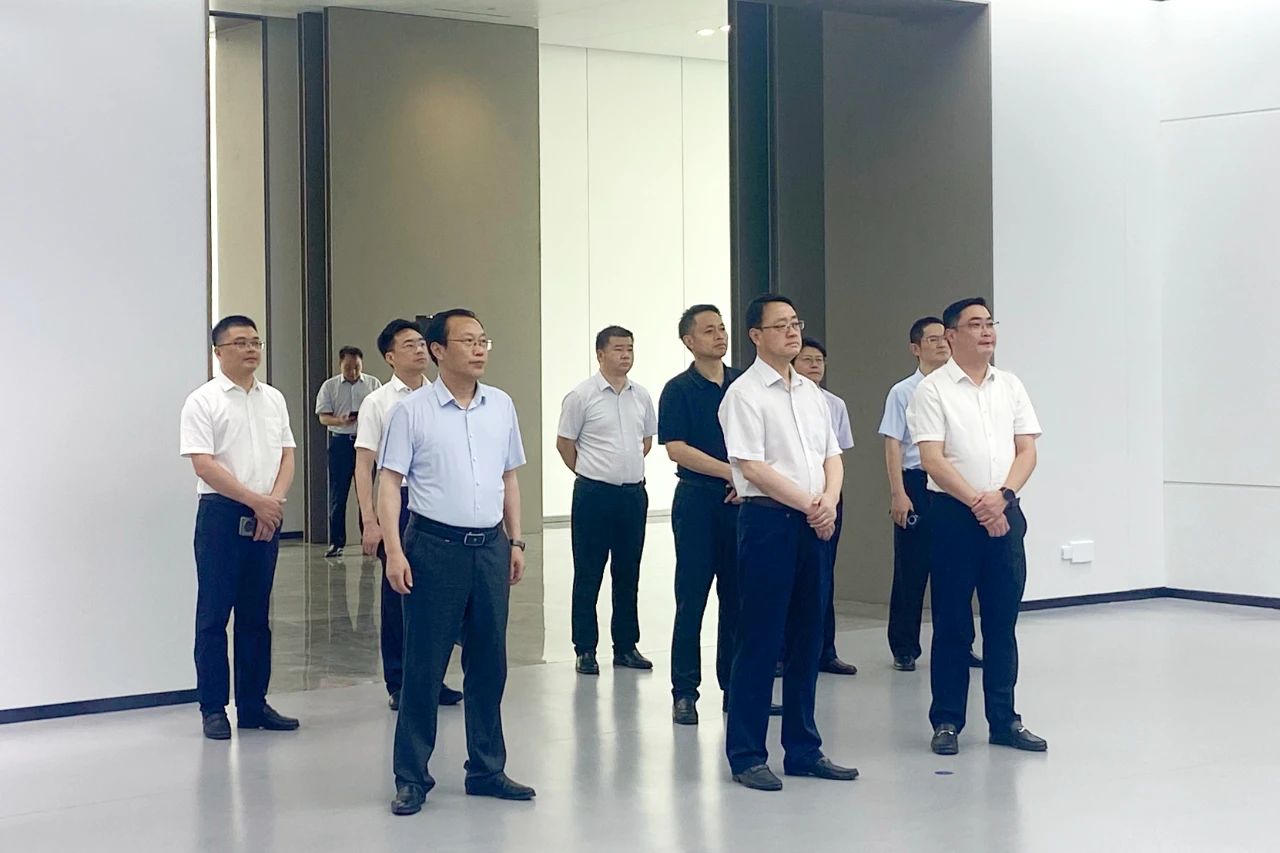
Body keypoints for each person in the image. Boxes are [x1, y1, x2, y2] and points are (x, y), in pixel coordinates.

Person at [380, 309, 534, 815]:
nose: (479, 348)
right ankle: (411, 777)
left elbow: (509, 477)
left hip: (489, 548)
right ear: (438, 350)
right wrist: (394, 550)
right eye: (467, 341)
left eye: (483, 340)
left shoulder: (501, 405)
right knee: (423, 667)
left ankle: (487, 769)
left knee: (489, 663)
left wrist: (515, 541)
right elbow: (389, 483)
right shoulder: (412, 412)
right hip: (433, 548)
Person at [719, 295, 857, 792]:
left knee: (807, 637)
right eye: (780, 326)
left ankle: (803, 749)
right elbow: (751, 466)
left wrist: (828, 503)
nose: (793, 332)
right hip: (769, 523)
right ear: (756, 335)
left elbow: (832, 456)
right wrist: (810, 505)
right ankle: (747, 754)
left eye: (796, 323)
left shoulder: (812, 393)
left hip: (815, 521)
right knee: (761, 638)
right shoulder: (744, 394)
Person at [907, 297, 1047, 756]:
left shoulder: (1010, 385)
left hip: (1005, 510)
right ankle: (947, 720)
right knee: (952, 623)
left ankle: (1004, 720)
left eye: (990, 323)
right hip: (953, 515)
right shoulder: (933, 390)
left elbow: (1026, 450)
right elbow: (932, 459)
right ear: (951, 336)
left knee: (1002, 622)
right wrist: (978, 504)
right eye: (975, 325)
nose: (986, 331)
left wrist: (1002, 497)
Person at [180, 315, 300, 740]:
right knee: (214, 616)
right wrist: (255, 502)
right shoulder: (203, 401)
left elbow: (287, 453)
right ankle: (213, 708)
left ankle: (253, 705)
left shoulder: (273, 399)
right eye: (241, 343)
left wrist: (273, 504)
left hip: (267, 513)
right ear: (218, 352)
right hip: (222, 515)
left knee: (256, 615)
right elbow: (204, 464)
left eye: (255, 342)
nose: (251, 349)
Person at [353, 318, 462, 711]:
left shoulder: (442, 396)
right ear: (390, 357)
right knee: (398, 595)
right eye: (409, 345)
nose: (419, 350)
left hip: (437, 504)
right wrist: (370, 520)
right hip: (396, 504)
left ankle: (433, 679)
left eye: (421, 343)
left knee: (439, 597)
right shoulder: (378, 402)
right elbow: (364, 465)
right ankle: (399, 681)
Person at [878, 317, 982, 672]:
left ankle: (960, 644)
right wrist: (898, 492)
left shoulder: (961, 387)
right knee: (911, 568)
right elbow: (893, 444)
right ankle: (904, 647)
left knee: (956, 568)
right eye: (933, 339)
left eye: (944, 338)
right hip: (916, 482)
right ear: (915, 348)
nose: (941, 344)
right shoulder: (903, 391)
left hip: (953, 483)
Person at [556, 326, 657, 675]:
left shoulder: (641, 395)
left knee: (628, 572)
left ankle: (626, 646)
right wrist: (590, 471)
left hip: (632, 495)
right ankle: (585, 648)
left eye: (630, 348)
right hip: (593, 495)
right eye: (618, 349)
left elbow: (646, 441)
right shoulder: (581, 396)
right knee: (589, 572)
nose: (625, 355)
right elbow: (565, 444)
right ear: (600, 354)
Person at [659, 305, 744, 726]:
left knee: (737, 598)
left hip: (742, 502)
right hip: (697, 500)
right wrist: (731, 473)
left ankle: (735, 688)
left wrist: (747, 480)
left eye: (722, 328)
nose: (720, 335)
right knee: (691, 598)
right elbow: (676, 448)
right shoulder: (678, 389)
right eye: (709, 331)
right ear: (689, 341)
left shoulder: (743, 384)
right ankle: (685, 692)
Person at [791, 338, 858, 676]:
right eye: (808, 359)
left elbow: (837, 455)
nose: (815, 365)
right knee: (790, 578)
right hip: (791, 498)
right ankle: (785, 653)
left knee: (824, 575)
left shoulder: (834, 404)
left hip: (828, 497)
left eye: (820, 360)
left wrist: (830, 498)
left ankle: (825, 650)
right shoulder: (780, 400)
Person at [315, 346, 381, 557]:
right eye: (348, 368)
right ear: (340, 365)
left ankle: (368, 540)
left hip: (366, 443)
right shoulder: (330, 386)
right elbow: (323, 417)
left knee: (366, 494)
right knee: (338, 494)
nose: (353, 372)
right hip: (340, 443)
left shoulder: (373, 384)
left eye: (357, 367)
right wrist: (340, 420)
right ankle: (337, 542)